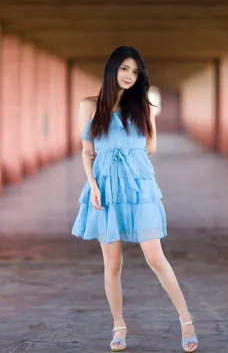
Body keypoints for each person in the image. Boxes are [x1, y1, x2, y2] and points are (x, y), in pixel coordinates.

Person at [71, 46, 199, 352]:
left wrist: (127, 145)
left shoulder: (143, 106)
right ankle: (119, 327)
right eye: (125, 69)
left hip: (139, 185)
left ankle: (187, 321)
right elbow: (87, 151)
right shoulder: (89, 105)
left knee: (156, 257)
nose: (129, 76)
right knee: (112, 263)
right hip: (104, 187)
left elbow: (151, 147)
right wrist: (93, 184)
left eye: (135, 71)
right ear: (113, 69)